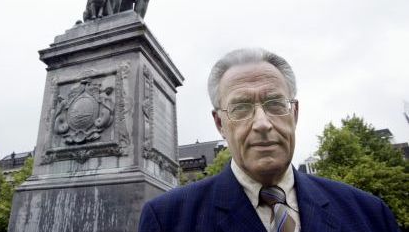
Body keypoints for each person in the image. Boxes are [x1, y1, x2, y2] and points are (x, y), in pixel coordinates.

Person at [138, 48, 400, 232]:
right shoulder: (168, 219)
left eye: (275, 103)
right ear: (220, 124)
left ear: (294, 113)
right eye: (241, 108)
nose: (262, 123)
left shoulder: (369, 213)